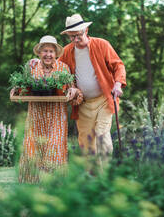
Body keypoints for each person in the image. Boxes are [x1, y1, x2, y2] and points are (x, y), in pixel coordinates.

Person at [60, 14, 126, 168]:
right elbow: (54, 69)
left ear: (86, 30)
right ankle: (93, 178)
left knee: (102, 134)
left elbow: (118, 65)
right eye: (71, 37)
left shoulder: (102, 45)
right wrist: (36, 63)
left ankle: (107, 173)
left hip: (104, 99)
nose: (75, 40)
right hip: (82, 103)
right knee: (86, 142)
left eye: (78, 35)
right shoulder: (66, 52)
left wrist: (117, 84)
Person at [17, 35, 82, 183]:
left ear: (56, 54)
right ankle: (32, 180)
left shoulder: (63, 68)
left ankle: (55, 181)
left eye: (51, 51)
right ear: (39, 53)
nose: (48, 54)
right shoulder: (31, 67)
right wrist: (17, 89)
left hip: (56, 115)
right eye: (45, 51)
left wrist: (73, 91)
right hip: (36, 114)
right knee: (34, 145)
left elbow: (73, 90)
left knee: (55, 145)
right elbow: (23, 89)